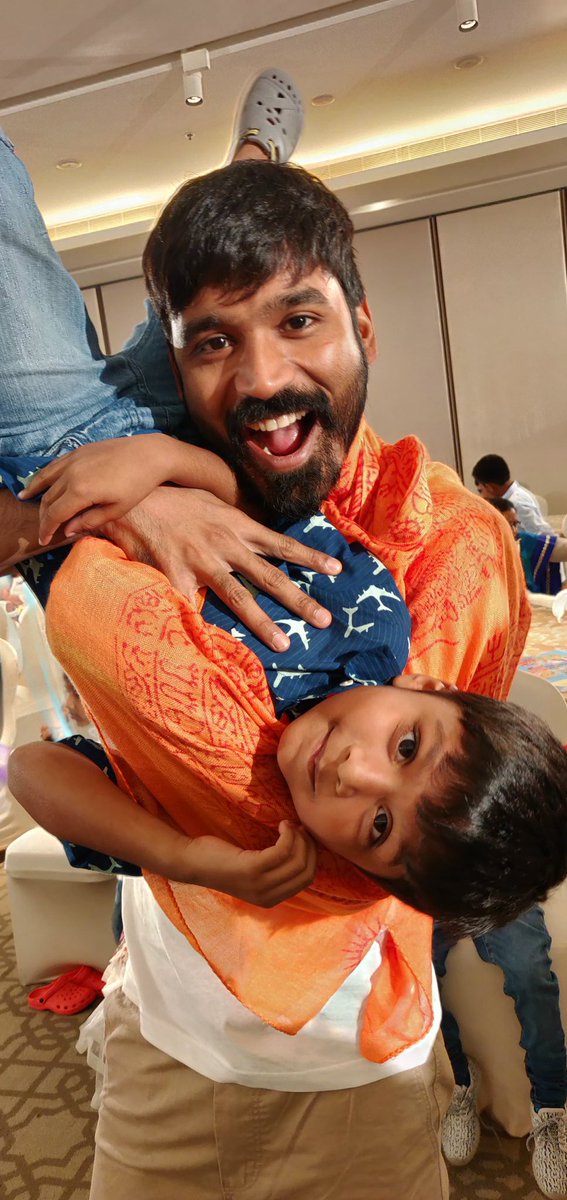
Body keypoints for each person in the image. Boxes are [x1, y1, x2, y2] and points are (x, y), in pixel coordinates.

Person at [0, 132, 530, 1199]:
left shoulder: (450, 557)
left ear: (361, 325)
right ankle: (243, 182)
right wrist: (163, 478)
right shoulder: (361, 615)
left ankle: (244, 178)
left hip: (353, 1088)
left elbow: (40, 766)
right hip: (162, 1050)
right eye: (220, 343)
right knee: (158, 319)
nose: (353, 769)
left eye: (300, 320)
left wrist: (137, 499)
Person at [9, 463, 567, 936]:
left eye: (379, 825)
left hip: (34, 496)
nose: (355, 773)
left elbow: (31, 769)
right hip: (122, 431)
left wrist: (181, 858)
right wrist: (165, 460)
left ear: (354, 870)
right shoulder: (372, 623)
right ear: (427, 687)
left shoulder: (232, 811)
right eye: (407, 747)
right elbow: (273, 490)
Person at [434, 914, 567, 1200]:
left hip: (501, 890)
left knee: (530, 971)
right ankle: (460, 1079)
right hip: (435, 891)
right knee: (413, 968)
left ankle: (551, 1106)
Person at [490, 496, 567, 595]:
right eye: (507, 525)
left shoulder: (524, 541)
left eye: (515, 524)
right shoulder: (477, 553)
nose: (513, 530)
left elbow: (562, 548)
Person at [472, 454, 554, 535]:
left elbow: (540, 537)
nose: (481, 496)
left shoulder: (517, 504)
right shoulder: (519, 493)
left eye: (480, 491)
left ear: (489, 487)